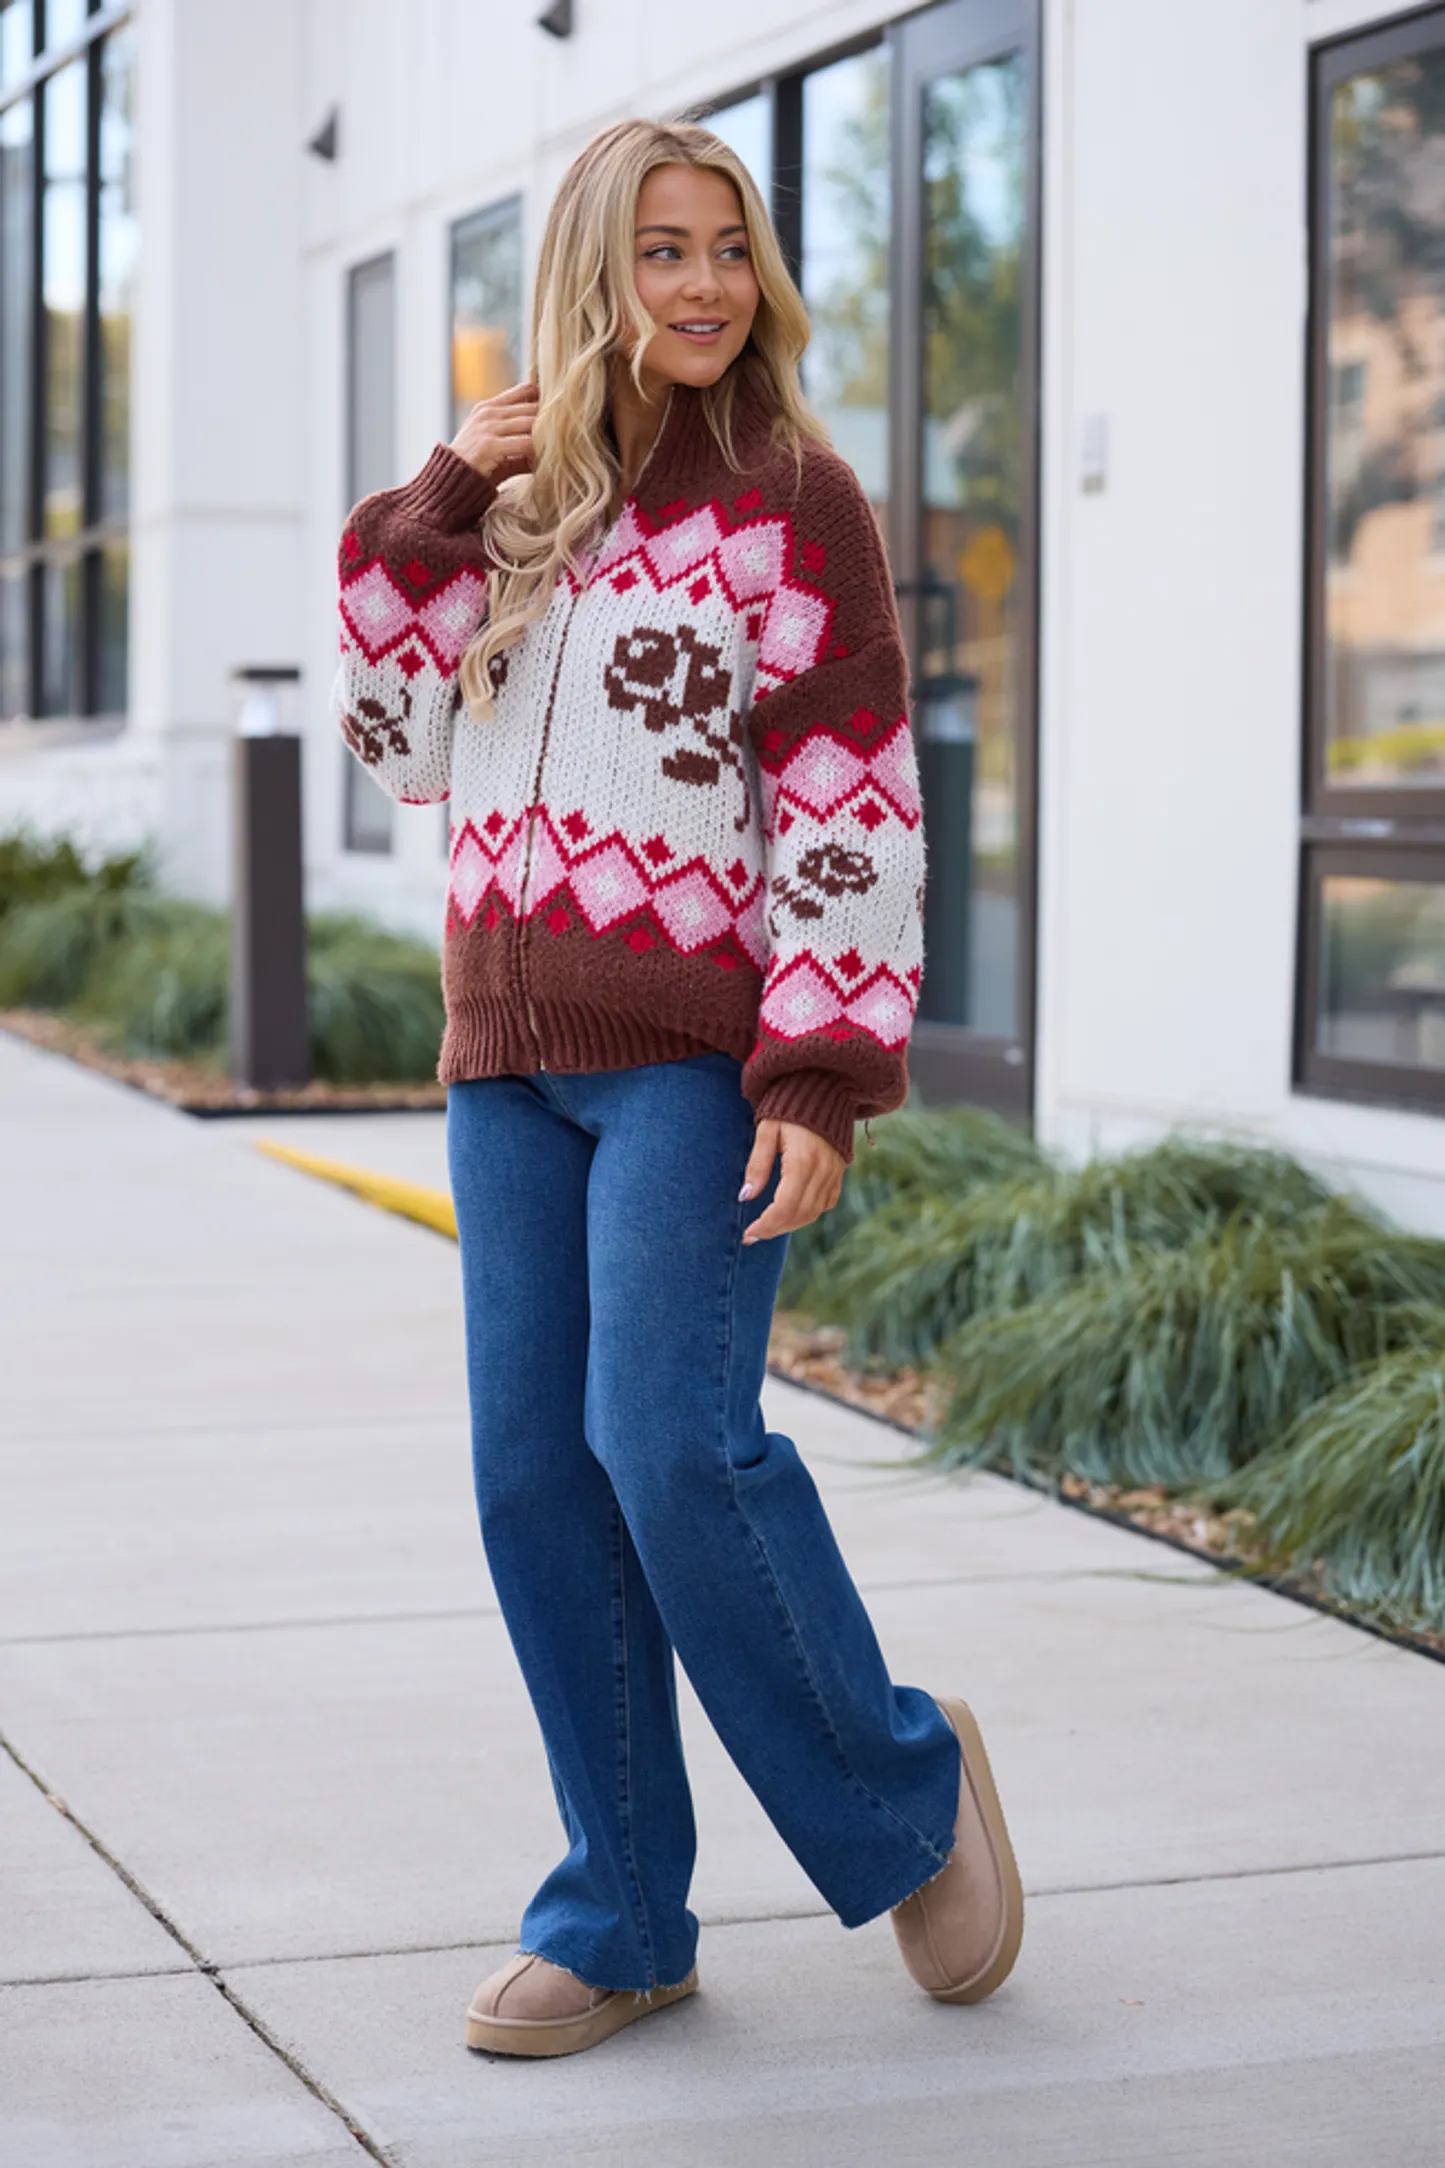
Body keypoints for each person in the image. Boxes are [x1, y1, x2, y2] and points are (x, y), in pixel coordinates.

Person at [333, 116, 1022, 2061]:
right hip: (505, 1064)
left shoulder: (797, 501)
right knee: (533, 1481)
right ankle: (622, 1915)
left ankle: (902, 1792)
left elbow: (852, 804)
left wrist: (819, 1069)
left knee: (669, 1449)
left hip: (693, 1069)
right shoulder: (513, 503)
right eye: (661, 249)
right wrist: (437, 501)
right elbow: (394, 742)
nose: (705, 282)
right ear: (592, 273)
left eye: (728, 246)